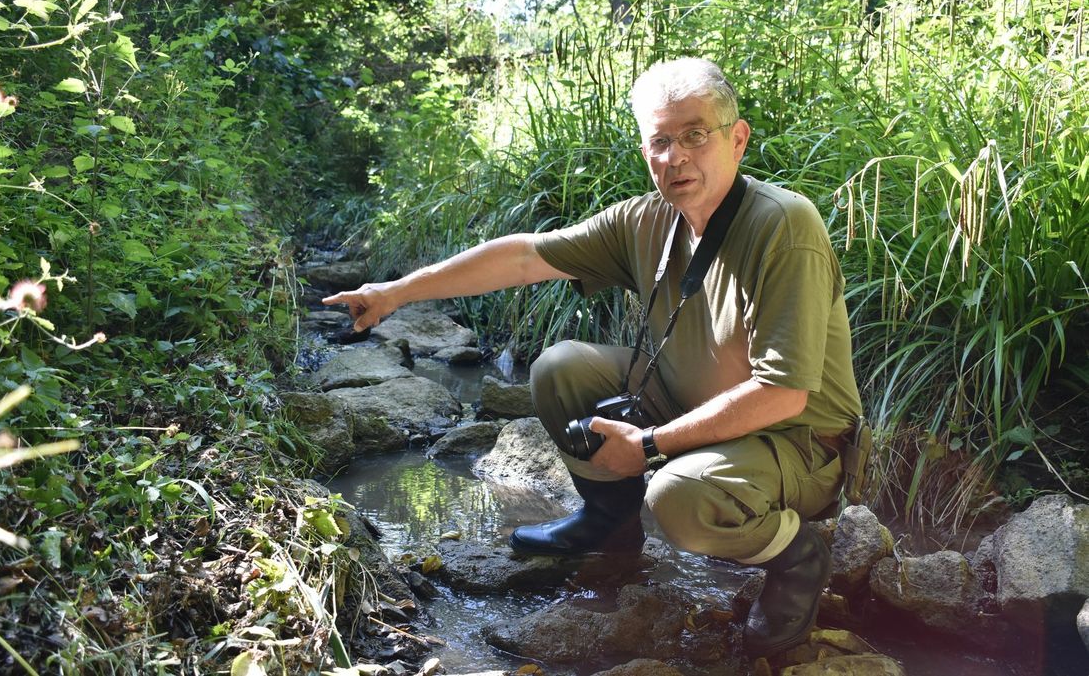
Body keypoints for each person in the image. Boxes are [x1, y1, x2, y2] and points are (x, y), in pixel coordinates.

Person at [323, 57, 863, 657]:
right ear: (645, 150)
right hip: (695, 399)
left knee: (679, 499)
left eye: (695, 135)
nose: (677, 156)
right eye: (660, 141)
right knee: (561, 368)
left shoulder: (784, 225)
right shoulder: (647, 219)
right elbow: (526, 257)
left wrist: (652, 446)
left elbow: (783, 393)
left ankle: (796, 558)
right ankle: (611, 523)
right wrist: (395, 292)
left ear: (737, 140)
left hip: (797, 441)